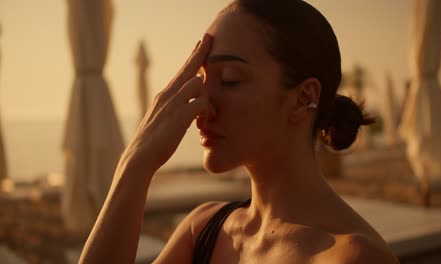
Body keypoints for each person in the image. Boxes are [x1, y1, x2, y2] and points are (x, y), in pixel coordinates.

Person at [79, 0, 399, 263]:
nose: (203, 103)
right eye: (203, 80)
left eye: (230, 79)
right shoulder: (204, 231)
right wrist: (134, 165)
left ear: (304, 99)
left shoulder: (353, 257)